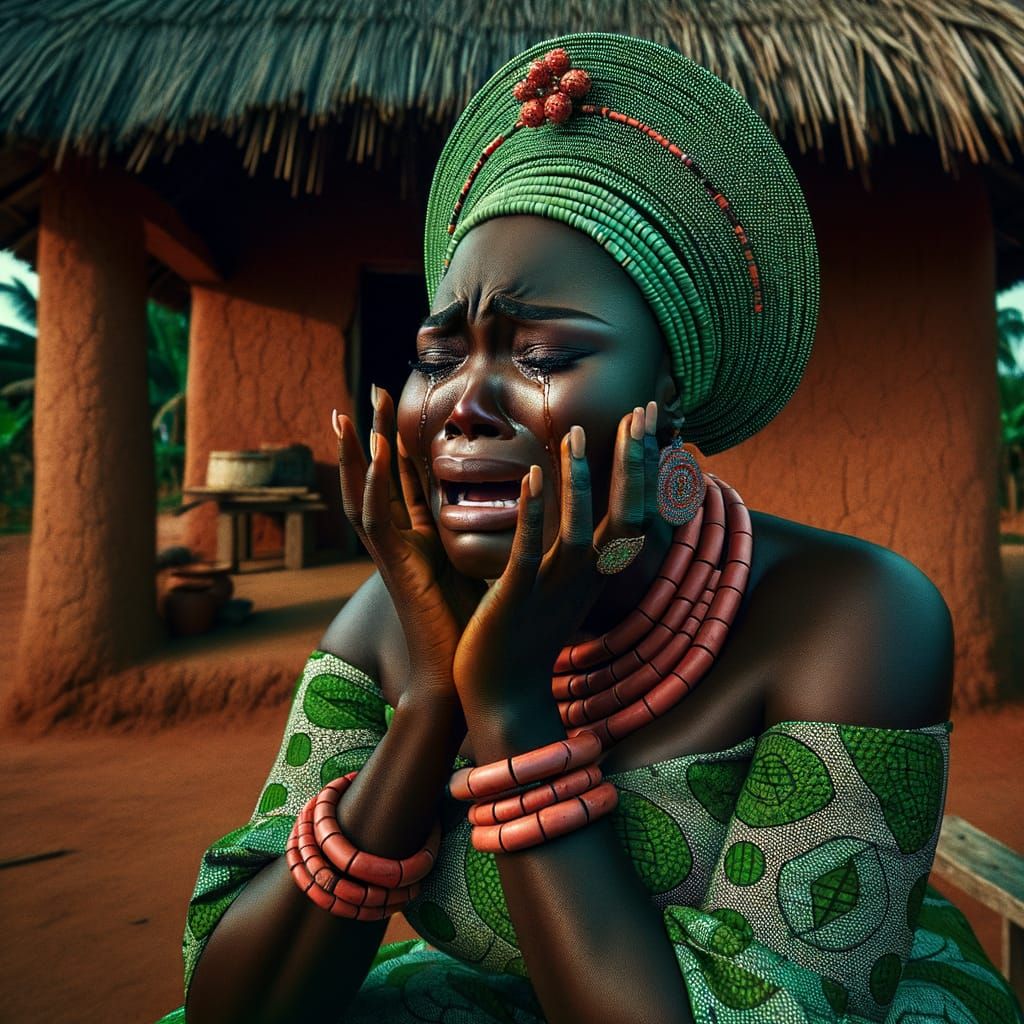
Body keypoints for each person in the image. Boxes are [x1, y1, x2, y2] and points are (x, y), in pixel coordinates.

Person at [158, 31, 1022, 1024]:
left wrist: (513, 705)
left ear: (666, 393)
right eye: (439, 355)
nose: (461, 404)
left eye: (542, 351)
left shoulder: (854, 619)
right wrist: (436, 693)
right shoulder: (390, 624)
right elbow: (231, 1006)